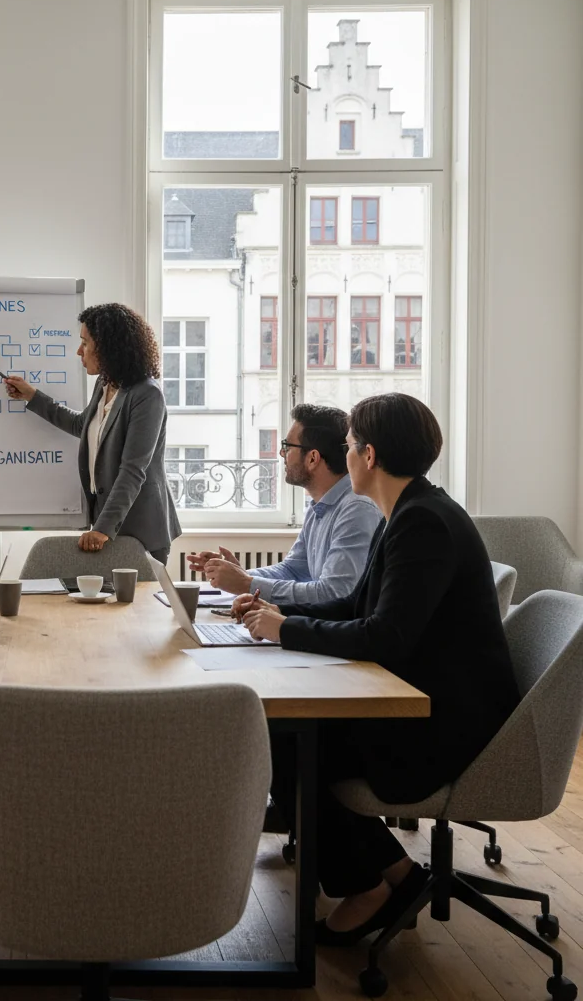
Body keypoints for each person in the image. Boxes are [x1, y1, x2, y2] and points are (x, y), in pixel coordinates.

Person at [236, 393, 520, 945]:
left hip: (445, 723)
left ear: (369, 454)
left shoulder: (423, 524)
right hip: (422, 698)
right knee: (287, 738)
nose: (343, 456)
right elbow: (357, 608)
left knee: (294, 741)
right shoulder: (408, 512)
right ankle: (395, 876)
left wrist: (285, 629)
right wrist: (279, 614)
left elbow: (385, 637)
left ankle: (369, 885)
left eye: (346, 446)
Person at [4, 303, 181, 565]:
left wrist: (102, 528)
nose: (79, 351)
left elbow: (133, 470)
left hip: (140, 527)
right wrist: (32, 396)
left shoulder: (147, 395)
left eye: (85, 343)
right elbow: (81, 425)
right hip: (105, 523)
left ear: (109, 347)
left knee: (137, 606)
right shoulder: (105, 383)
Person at [185, 404, 381, 604]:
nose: (281, 453)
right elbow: (293, 569)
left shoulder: (357, 510)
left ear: (312, 458)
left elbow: (334, 593)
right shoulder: (319, 505)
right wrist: (239, 574)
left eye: (287, 446)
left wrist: (247, 583)